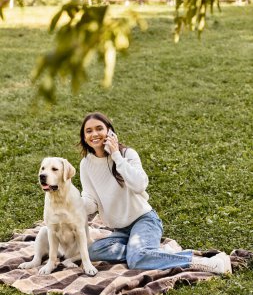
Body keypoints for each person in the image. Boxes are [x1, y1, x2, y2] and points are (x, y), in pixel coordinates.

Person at [79, 112, 232, 274]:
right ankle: (150, 253)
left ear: (110, 132)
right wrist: (72, 203)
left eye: (99, 128)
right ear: (84, 136)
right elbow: (90, 200)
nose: (94, 134)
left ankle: (201, 262)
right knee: (92, 251)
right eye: (89, 131)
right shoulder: (85, 164)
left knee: (137, 259)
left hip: (144, 220)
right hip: (120, 230)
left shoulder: (126, 155)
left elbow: (139, 185)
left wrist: (116, 155)